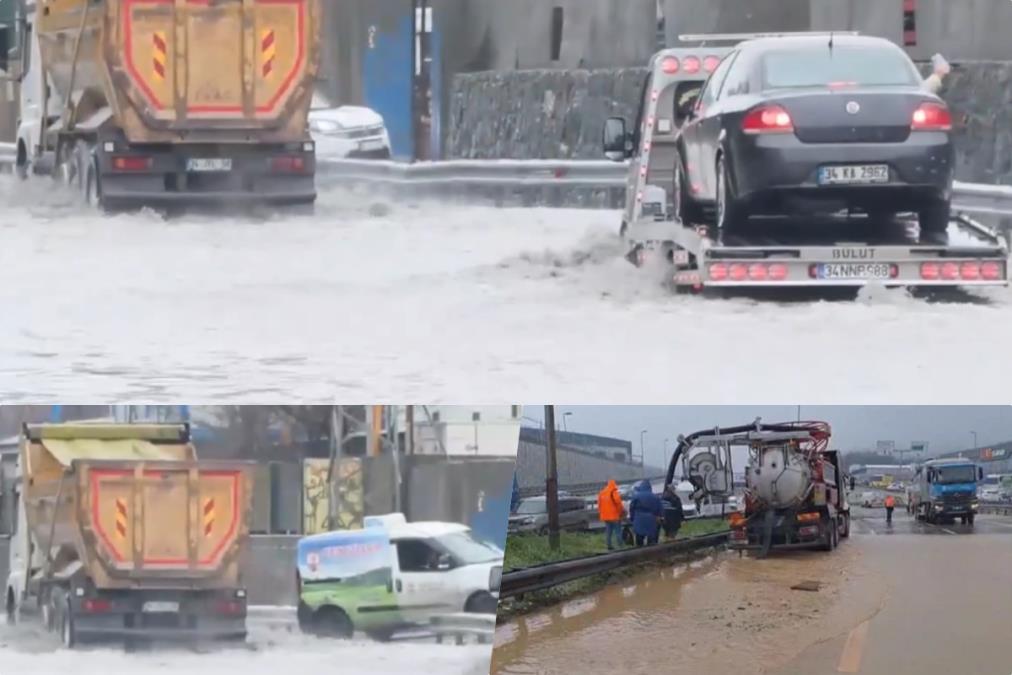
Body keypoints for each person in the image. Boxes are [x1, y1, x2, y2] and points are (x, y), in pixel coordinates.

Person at [629, 480, 663, 546]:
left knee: (639, 537)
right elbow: (660, 508)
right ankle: (650, 549)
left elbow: (632, 508)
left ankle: (639, 549)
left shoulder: (636, 496)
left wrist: (632, 518)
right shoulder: (655, 497)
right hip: (651, 518)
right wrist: (660, 516)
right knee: (651, 538)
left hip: (639, 518)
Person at [597, 479, 625, 550]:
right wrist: (621, 512)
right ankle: (621, 546)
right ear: (614, 485)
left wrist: (602, 514)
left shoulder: (601, 493)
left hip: (605, 517)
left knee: (608, 532)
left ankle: (609, 546)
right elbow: (618, 503)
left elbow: (599, 505)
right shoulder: (613, 492)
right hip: (614, 516)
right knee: (618, 531)